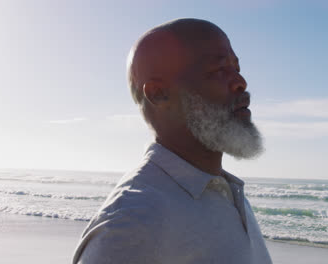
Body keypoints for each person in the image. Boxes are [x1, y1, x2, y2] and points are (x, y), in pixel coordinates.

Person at [72, 18, 272, 264]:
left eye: (237, 69)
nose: (241, 82)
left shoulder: (224, 191)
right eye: (219, 71)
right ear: (159, 93)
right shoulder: (133, 222)